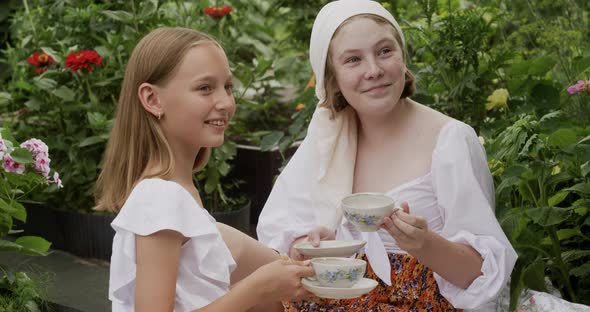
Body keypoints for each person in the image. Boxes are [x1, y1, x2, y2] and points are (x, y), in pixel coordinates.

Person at [256, 1, 518, 311]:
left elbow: (479, 275)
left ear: (403, 57)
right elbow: (281, 239)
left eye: (384, 51)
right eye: (353, 59)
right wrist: (313, 246)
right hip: (335, 299)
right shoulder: (327, 139)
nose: (374, 70)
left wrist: (424, 244)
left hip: (418, 303)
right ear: (332, 78)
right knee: (233, 253)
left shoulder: (450, 140)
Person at [95, 27, 314, 312]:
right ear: (152, 100)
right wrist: (256, 288)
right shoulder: (160, 198)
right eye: (205, 88)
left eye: (228, 87)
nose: (225, 102)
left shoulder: (179, 195)